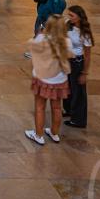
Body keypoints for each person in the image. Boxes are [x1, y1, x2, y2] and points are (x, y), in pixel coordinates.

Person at [24, 14, 71, 146]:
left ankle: (38, 135)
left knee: (40, 107)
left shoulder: (41, 40)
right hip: (59, 79)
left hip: (43, 78)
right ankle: (54, 133)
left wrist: (41, 32)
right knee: (56, 107)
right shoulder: (67, 42)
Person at [63, 5, 93, 129]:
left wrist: (84, 73)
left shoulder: (85, 33)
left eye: (72, 15)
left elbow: (87, 55)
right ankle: (69, 110)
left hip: (77, 62)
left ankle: (78, 120)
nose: (69, 17)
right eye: (69, 15)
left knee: (78, 92)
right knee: (67, 88)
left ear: (80, 17)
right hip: (66, 61)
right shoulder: (67, 25)